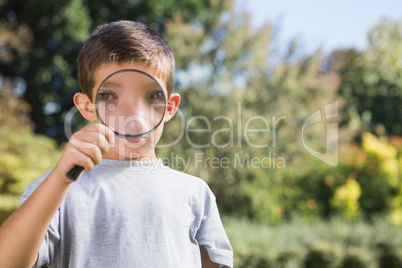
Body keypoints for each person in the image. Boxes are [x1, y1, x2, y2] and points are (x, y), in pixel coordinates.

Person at [0, 20, 233, 268]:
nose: (133, 114)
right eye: (109, 96)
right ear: (87, 107)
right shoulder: (56, 190)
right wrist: (59, 179)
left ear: (170, 107)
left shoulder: (195, 192)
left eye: (153, 95)